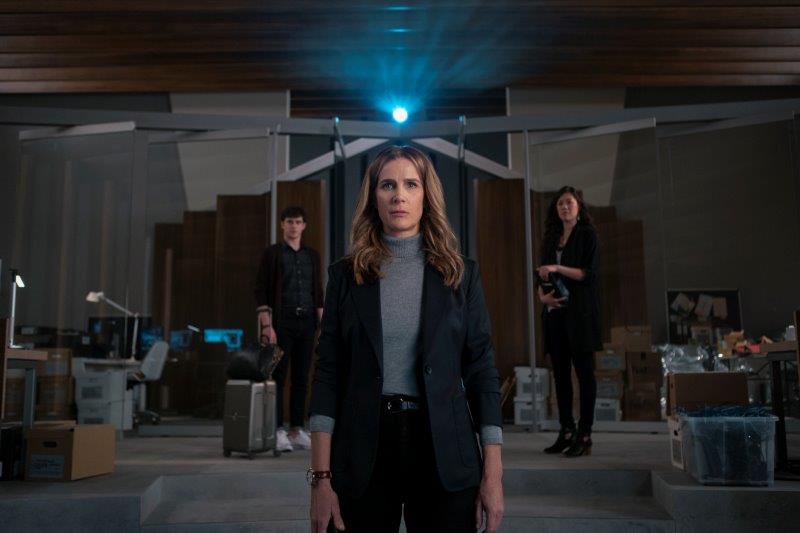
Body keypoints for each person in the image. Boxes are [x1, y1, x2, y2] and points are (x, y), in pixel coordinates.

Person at [307, 145, 504, 533]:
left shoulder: (462, 275)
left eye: (411, 184)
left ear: (426, 195)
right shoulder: (345, 276)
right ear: (373, 197)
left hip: (444, 449)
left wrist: (493, 474)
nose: (399, 195)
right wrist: (320, 478)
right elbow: (327, 375)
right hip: (363, 448)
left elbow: (482, 372)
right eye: (388, 185)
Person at [536, 186, 602, 457]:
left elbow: (589, 274)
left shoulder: (587, 235)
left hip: (580, 315)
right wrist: (542, 297)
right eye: (560, 203)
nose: (564, 207)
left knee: (585, 374)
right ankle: (566, 430)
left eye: (569, 203)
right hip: (555, 315)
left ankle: (584, 434)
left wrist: (557, 267)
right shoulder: (551, 239)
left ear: (579, 206)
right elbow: (541, 274)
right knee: (560, 375)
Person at [254, 206, 323, 452]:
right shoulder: (272, 254)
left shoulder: (312, 255)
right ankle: (277, 430)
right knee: (279, 377)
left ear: (304, 226)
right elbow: (261, 290)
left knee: (302, 378)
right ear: (282, 224)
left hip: (307, 322)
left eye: (298, 222)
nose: (294, 226)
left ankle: (296, 429)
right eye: (290, 222)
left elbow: (318, 292)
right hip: (281, 322)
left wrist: (322, 326)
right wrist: (267, 326)